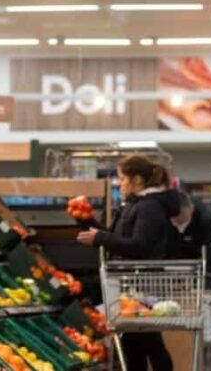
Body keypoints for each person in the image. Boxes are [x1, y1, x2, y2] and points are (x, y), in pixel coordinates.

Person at [76, 155, 179, 371]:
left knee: (149, 342)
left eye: (122, 179)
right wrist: (85, 221)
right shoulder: (135, 205)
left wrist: (101, 238)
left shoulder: (149, 207)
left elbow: (139, 245)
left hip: (143, 285)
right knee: (133, 344)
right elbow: (117, 239)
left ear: (138, 180)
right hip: (131, 284)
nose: (118, 183)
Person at [166, 189, 211, 263]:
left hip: (196, 262)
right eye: (173, 218)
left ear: (191, 209)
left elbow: (210, 252)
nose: (174, 221)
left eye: (180, 219)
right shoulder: (164, 217)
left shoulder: (204, 220)